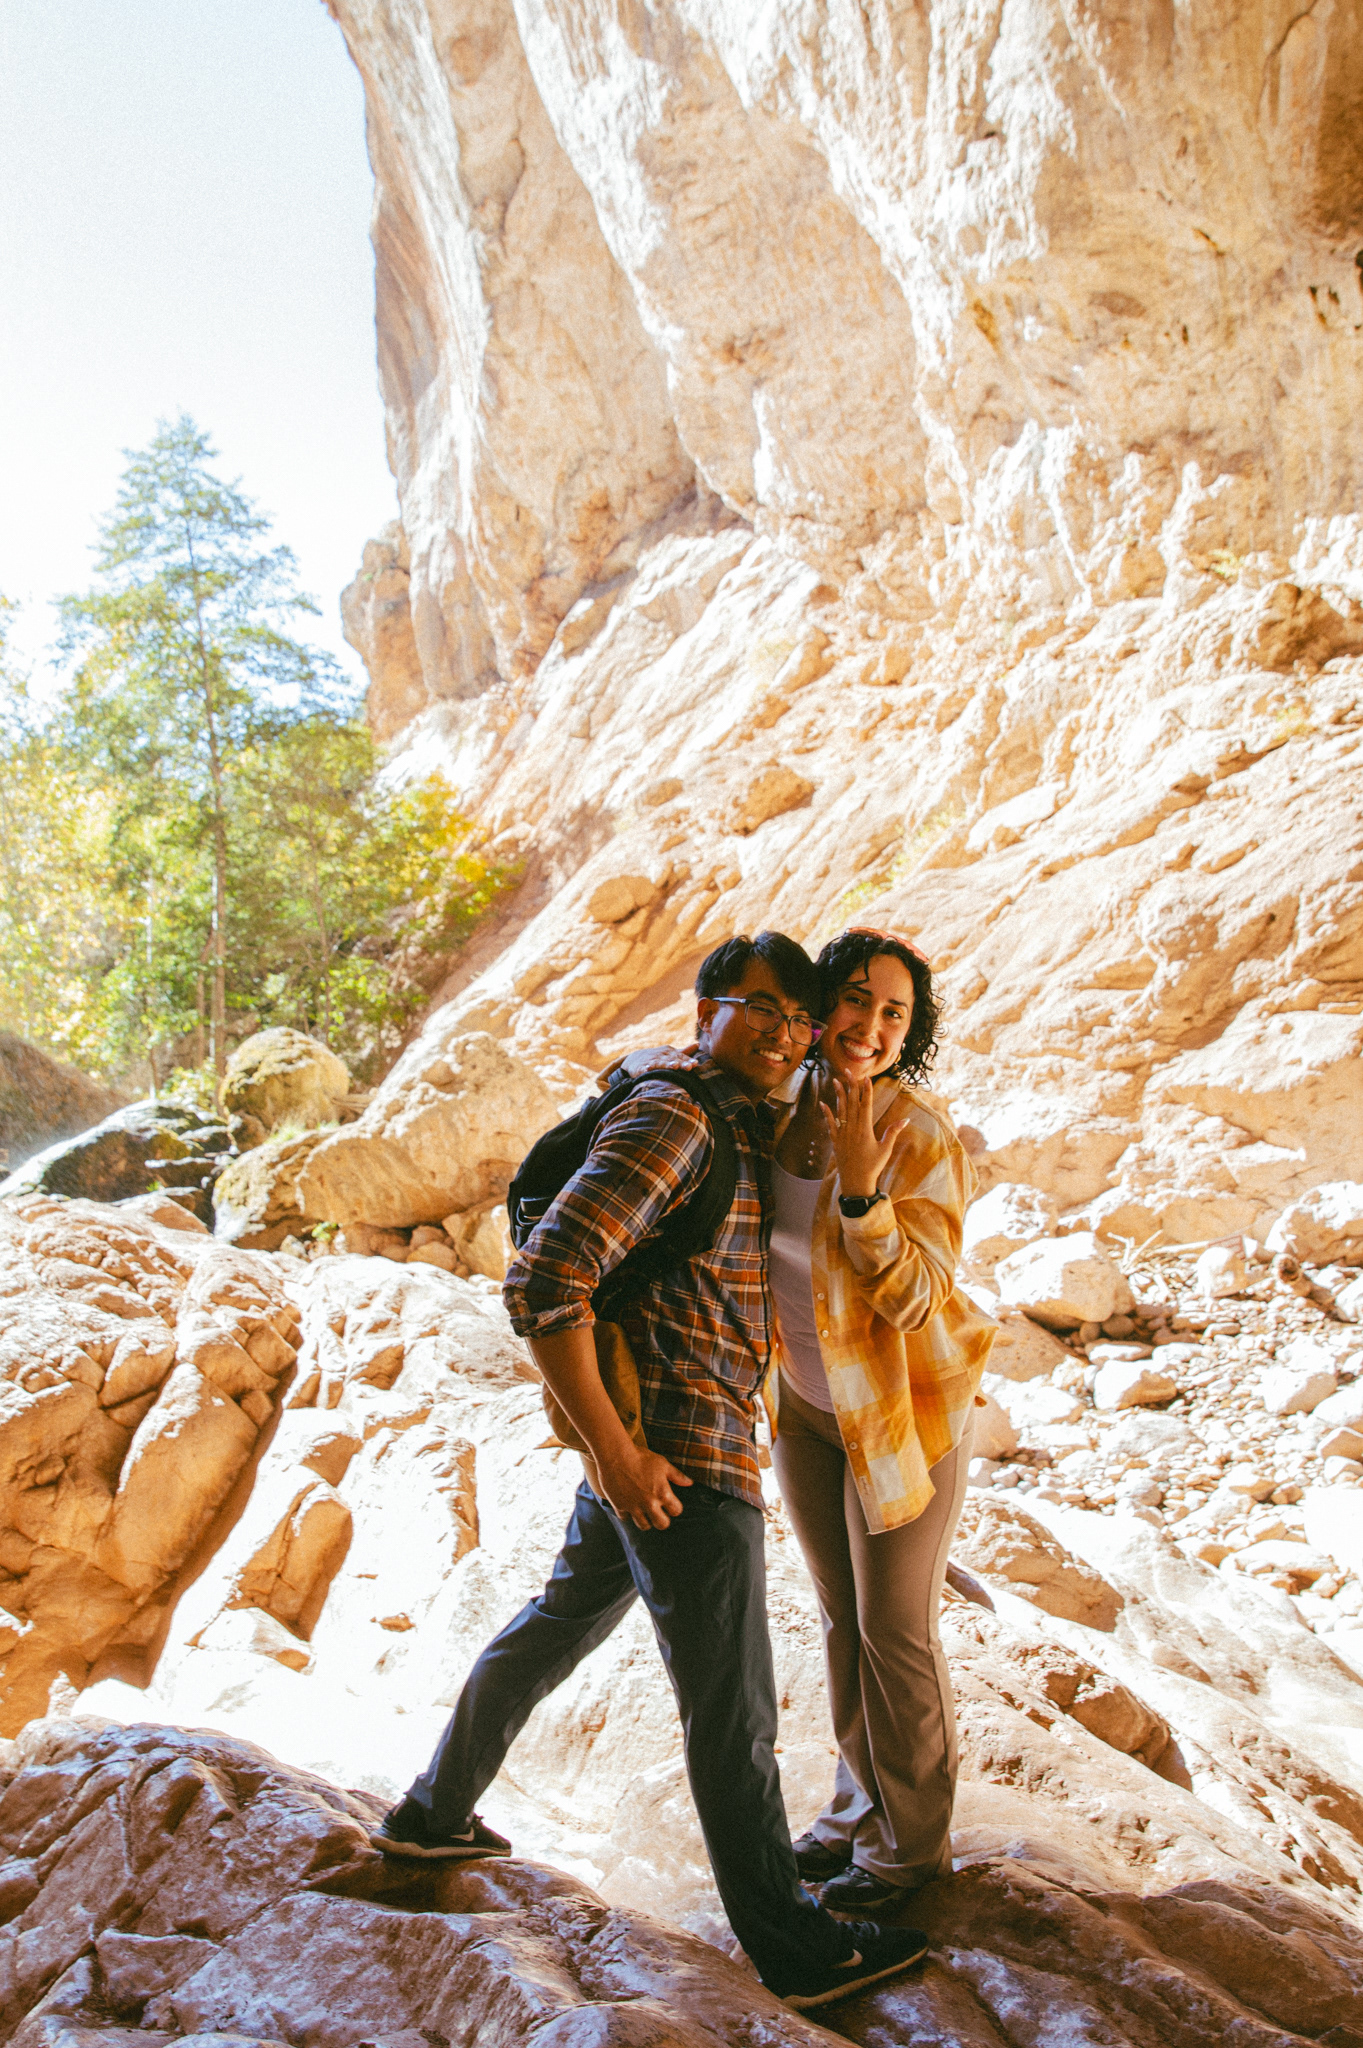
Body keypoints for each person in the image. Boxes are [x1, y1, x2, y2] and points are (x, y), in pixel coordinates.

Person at [371, 931, 930, 2011]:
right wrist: (614, 1454)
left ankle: (431, 1814)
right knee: (733, 1713)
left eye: (797, 1016)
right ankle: (795, 1950)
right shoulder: (678, 1115)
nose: (782, 1032)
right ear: (706, 1007)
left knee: (554, 1623)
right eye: (757, 1006)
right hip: (677, 1456)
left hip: (655, 1438)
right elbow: (545, 1279)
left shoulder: (727, 1107)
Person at [769, 927, 995, 1915]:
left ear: (911, 1032)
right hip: (804, 1409)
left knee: (893, 1629)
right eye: (856, 997)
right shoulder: (776, 1106)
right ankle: (852, 1813)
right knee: (839, 1621)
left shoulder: (919, 1134)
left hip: (906, 1415)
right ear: (821, 1004)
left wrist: (863, 1187)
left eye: (894, 1011)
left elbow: (913, 1299)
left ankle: (909, 1853)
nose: (870, 1024)